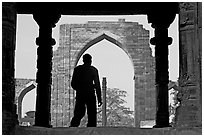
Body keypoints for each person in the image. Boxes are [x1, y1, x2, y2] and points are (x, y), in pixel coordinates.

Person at [70, 53, 102, 127]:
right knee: (92, 114)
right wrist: (99, 98)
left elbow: (73, 84)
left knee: (79, 112)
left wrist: (80, 88)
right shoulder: (93, 70)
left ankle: (73, 127)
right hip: (90, 94)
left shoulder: (78, 69)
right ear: (90, 60)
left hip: (80, 94)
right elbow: (97, 85)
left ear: (83, 60)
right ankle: (91, 130)